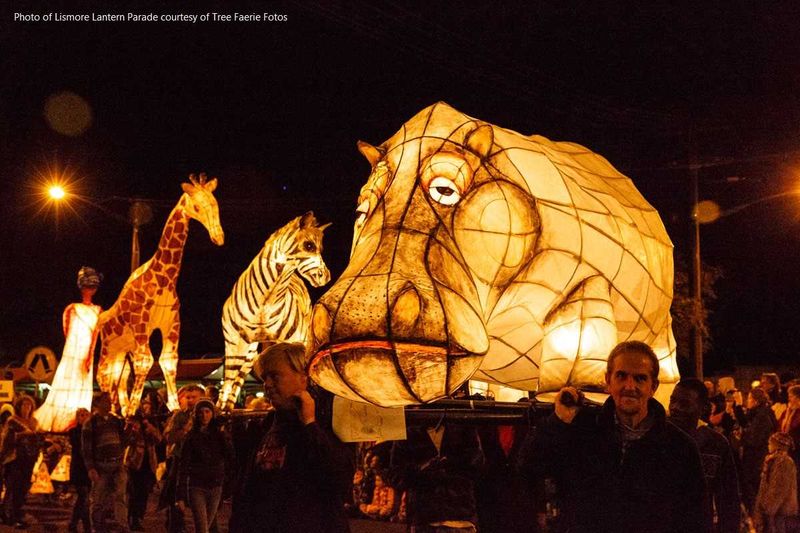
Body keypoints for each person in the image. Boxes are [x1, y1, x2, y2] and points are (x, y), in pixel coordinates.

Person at [518, 340, 706, 533]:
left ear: (653, 387)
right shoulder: (582, 431)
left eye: (640, 378)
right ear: (608, 381)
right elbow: (530, 467)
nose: (630, 386)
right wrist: (558, 421)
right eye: (621, 376)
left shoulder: (680, 448)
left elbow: (695, 519)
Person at [231, 342, 351, 533]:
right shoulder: (267, 425)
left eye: (275, 376)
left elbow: (339, 479)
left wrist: (310, 424)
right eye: (265, 377)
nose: (267, 384)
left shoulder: (330, 421)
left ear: (304, 378)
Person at [35, 266, 104, 432]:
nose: (89, 290)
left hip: (86, 355)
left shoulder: (98, 310)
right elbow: (67, 331)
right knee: (67, 383)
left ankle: (79, 418)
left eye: (92, 287)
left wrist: (89, 355)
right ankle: (63, 419)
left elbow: (96, 335)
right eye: (87, 286)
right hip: (73, 353)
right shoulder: (72, 309)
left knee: (82, 385)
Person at [669, 378, 741, 533]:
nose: (675, 408)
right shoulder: (657, 438)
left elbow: (728, 498)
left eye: (684, 404)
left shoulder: (716, 444)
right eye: (672, 401)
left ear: (702, 408)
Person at [176, 398, 233, 533]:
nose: (204, 415)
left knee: (209, 524)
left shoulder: (218, 434)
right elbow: (183, 466)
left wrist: (224, 433)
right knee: (202, 528)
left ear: (213, 413)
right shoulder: (191, 437)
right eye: (201, 412)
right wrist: (180, 495)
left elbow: (230, 455)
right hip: (197, 485)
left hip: (215, 485)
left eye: (207, 412)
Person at [160, 383, 205, 533]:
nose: (191, 400)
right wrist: (184, 430)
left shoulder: (209, 414)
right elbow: (168, 437)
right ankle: (176, 526)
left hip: (202, 462)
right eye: (188, 397)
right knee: (176, 495)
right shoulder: (180, 415)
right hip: (180, 460)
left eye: (194, 397)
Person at [83, 391, 129, 532]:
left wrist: (129, 430)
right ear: (97, 404)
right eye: (106, 401)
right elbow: (86, 447)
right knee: (98, 499)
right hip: (101, 465)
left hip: (117, 464)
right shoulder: (91, 422)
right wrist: (91, 468)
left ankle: (122, 525)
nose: (110, 403)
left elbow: (123, 440)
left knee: (120, 496)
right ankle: (97, 526)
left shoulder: (115, 420)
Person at [0, 395, 41, 529]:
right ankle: (9, 516)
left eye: (29, 405)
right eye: (24, 405)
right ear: (18, 406)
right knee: (13, 488)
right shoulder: (13, 421)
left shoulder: (34, 422)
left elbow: (38, 439)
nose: (27, 408)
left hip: (29, 460)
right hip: (15, 459)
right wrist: (23, 435)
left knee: (23, 489)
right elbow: (7, 440)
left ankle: (14, 514)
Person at [125, 395, 163, 532]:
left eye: (150, 404)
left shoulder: (152, 422)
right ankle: (132, 518)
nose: (148, 407)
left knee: (144, 492)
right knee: (134, 492)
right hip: (135, 461)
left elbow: (159, 439)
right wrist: (134, 429)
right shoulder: (132, 421)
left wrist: (150, 427)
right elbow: (127, 439)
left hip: (149, 461)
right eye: (145, 404)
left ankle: (138, 517)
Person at [742, 387, 778, 511]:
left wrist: (741, 438)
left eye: (749, 399)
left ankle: (757, 514)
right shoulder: (757, 414)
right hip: (755, 455)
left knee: (754, 485)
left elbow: (755, 439)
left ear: (756, 401)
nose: (747, 401)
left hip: (756, 457)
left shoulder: (762, 416)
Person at [753, 432, 798, 533]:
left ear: (777, 445)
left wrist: (768, 510)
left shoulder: (783, 462)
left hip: (779, 513)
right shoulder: (772, 460)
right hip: (773, 512)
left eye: (770, 443)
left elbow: (778, 488)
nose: (768, 445)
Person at [68, 407, 92, 533]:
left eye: (86, 415)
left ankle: (73, 523)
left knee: (82, 499)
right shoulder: (74, 432)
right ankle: (87, 526)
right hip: (78, 468)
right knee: (84, 497)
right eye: (81, 415)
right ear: (77, 418)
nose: (84, 417)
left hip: (89, 469)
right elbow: (79, 447)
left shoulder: (93, 431)